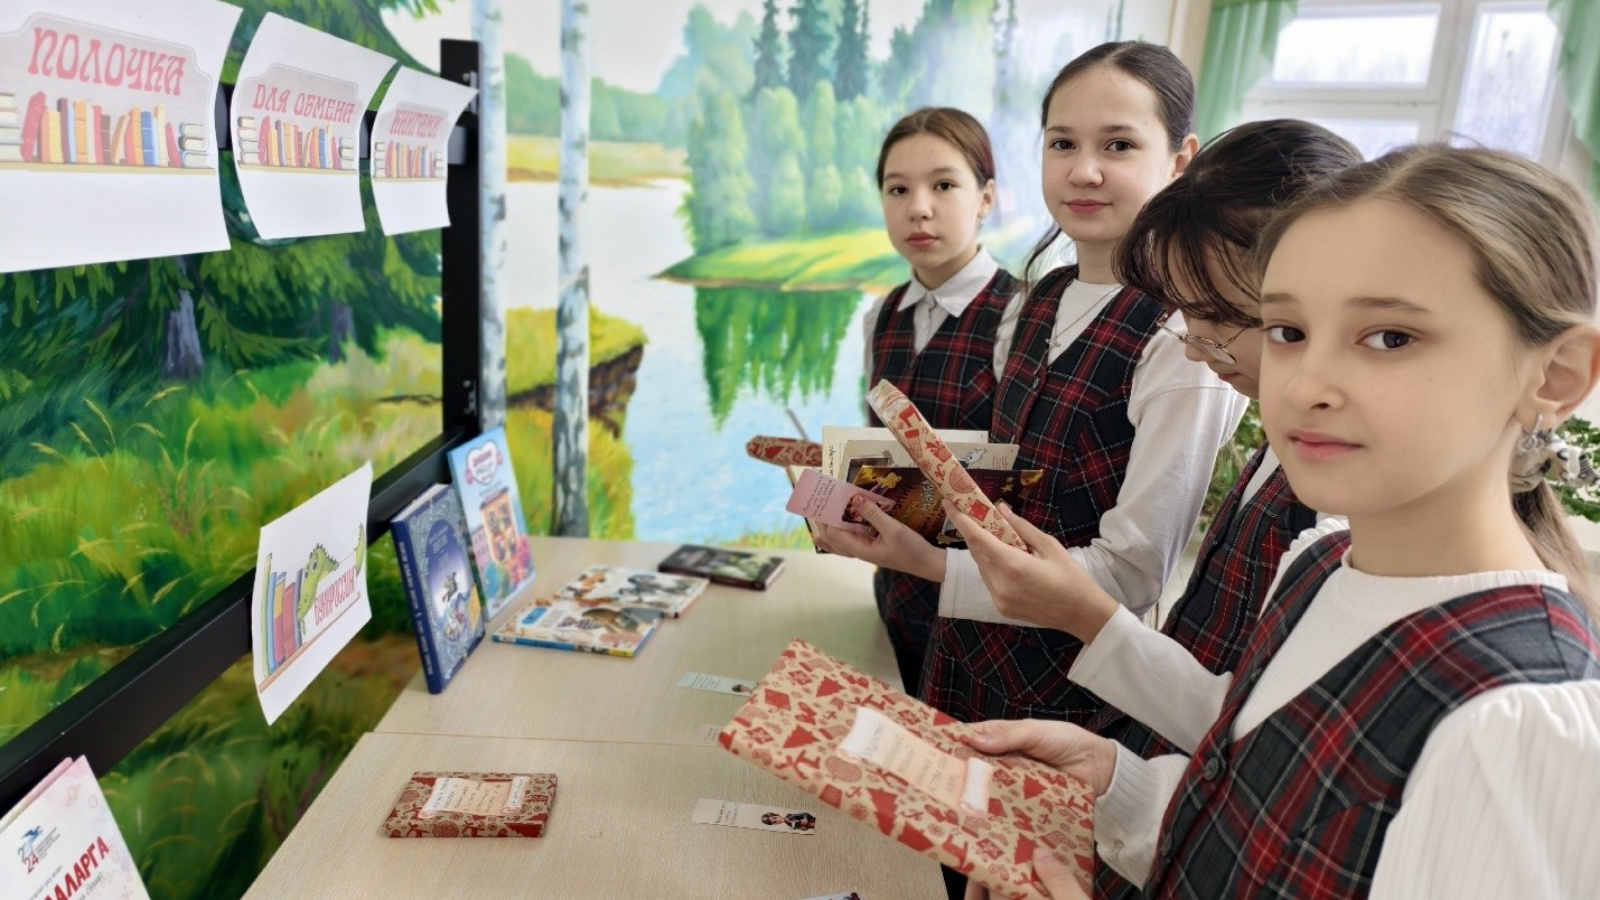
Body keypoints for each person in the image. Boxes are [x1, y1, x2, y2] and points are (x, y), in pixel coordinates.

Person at [963, 144, 1600, 900]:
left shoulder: (1519, 721)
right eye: (1287, 331)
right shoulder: (1319, 564)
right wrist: (1116, 784)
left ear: (1555, 375)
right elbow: (1268, 832)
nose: (1304, 386)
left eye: (1389, 337)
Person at [816, 42, 1245, 729]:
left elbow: (1129, 577)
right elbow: (1001, 492)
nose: (1084, 170)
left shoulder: (1184, 341)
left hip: (1071, 707)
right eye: (1062, 143)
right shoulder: (1042, 297)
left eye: (1119, 144)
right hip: (962, 662)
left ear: (1180, 160)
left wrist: (930, 565)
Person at [854, 107, 1018, 696]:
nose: (918, 208)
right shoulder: (880, 316)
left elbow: (1021, 482)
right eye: (898, 189)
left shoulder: (1020, 315)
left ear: (986, 197)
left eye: (943, 185)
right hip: (894, 596)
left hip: (988, 617)